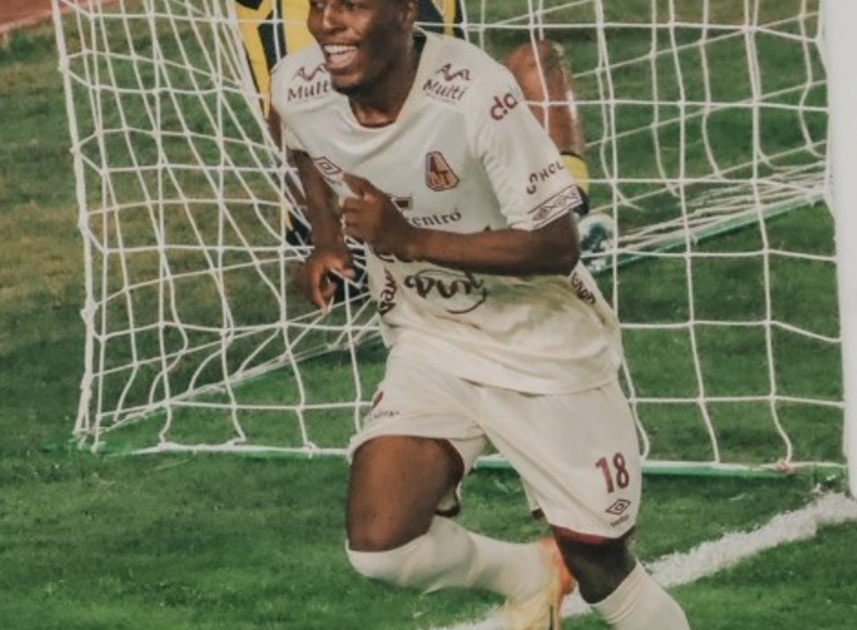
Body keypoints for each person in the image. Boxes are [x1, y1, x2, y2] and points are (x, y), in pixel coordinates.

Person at [268, 1, 689, 629]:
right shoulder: (300, 84)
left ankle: (579, 572)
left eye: (351, 4)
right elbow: (299, 137)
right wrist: (325, 238)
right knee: (381, 546)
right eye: (319, 3)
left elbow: (558, 245)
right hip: (431, 336)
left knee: (602, 571)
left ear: (405, 12)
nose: (327, 21)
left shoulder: (475, 95)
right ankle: (530, 575)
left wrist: (410, 240)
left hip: (542, 346)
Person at [233, 0, 615, 282]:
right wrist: (326, 236)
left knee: (539, 62)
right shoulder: (299, 71)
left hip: (457, 223)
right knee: (293, 97)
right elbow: (290, 123)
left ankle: (566, 218)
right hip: (350, 241)